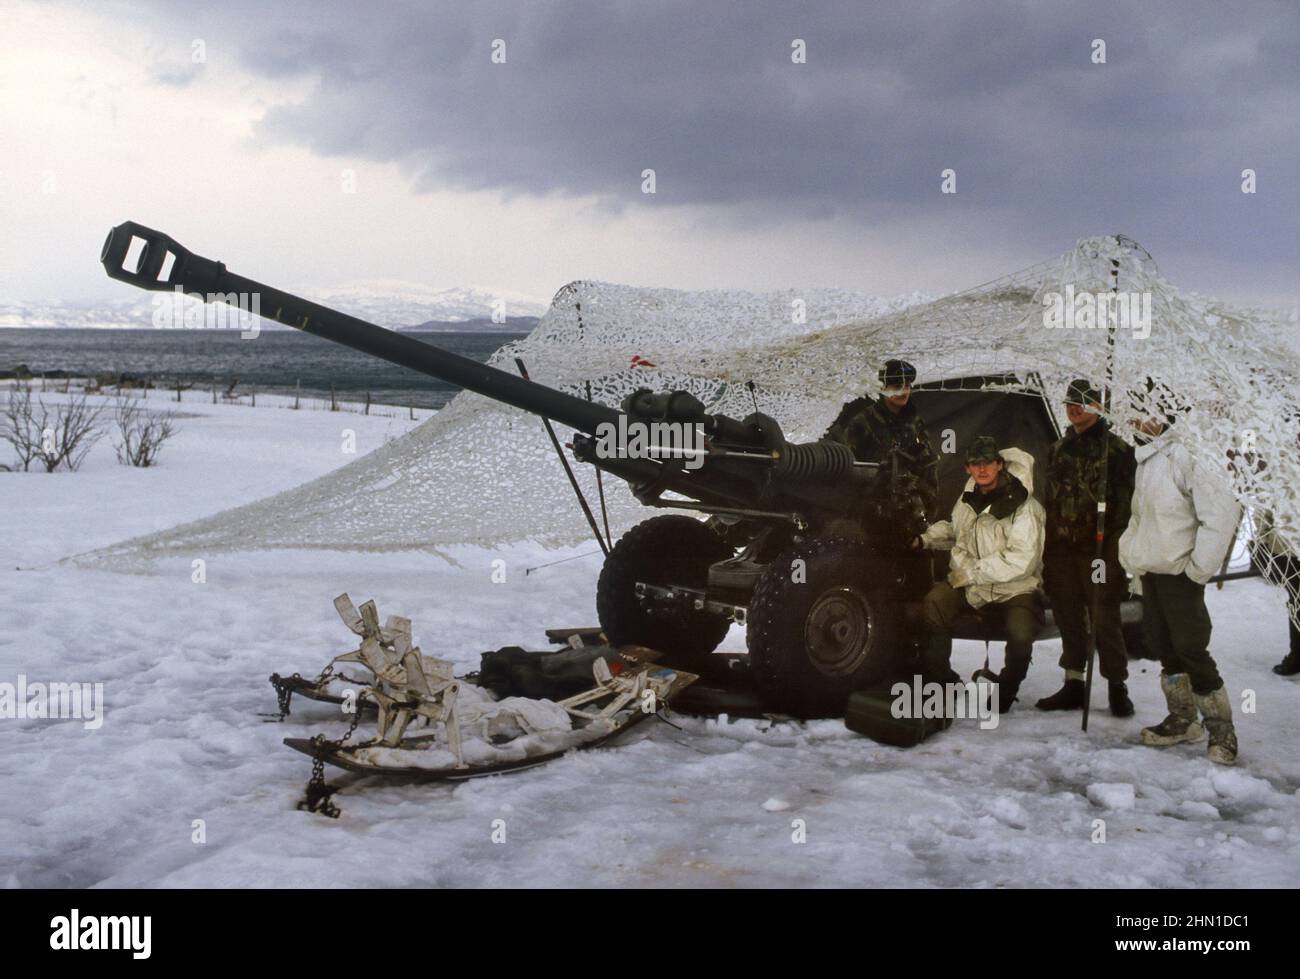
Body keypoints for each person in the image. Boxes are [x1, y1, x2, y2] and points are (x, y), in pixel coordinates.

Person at [1119, 397, 1241, 764]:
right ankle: (1183, 719)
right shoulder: (1146, 459)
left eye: (1151, 413)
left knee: (1191, 647)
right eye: (1138, 414)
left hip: (1181, 574)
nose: (1143, 420)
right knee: (1162, 644)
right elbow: (1140, 517)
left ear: (1167, 414)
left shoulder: (1189, 455)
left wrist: (1197, 571)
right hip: (1152, 571)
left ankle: (1221, 729)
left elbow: (1219, 515)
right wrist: (1131, 553)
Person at [913, 436, 1046, 711]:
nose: (981, 469)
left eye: (987, 463)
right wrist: (924, 539)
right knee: (934, 603)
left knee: (1022, 634)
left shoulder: (1025, 507)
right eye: (975, 464)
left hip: (1014, 588)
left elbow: (1021, 559)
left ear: (1000, 465)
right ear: (967, 468)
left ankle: (1006, 691)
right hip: (972, 588)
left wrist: (972, 573)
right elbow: (955, 531)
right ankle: (942, 684)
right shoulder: (967, 501)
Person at [1036, 380, 1137, 716]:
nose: (1074, 408)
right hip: (1062, 551)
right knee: (1068, 617)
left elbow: (1124, 510)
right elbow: (1050, 502)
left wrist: (1111, 556)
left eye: (1082, 402)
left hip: (1098, 552)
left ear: (1098, 406)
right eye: (1070, 402)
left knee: (1103, 617)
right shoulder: (1058, 449)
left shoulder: (1118, 451)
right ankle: (1073, 683)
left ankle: (1116, 685)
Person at [824, 358, 939, 519]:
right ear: (883, 388)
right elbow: (848, 470)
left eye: (907, 386)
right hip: (872, 512)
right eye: (897, 386)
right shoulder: (863, 422)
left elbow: (929, 469)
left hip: (910, 511)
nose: (904, 392)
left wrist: (928, 504)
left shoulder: (915, 422)